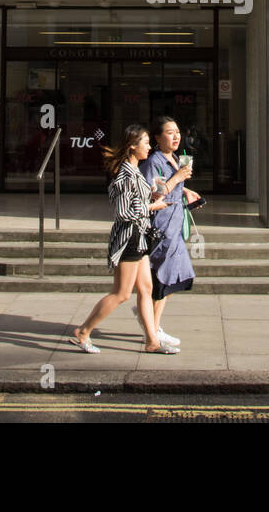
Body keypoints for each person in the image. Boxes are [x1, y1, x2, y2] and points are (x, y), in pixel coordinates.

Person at [70, 124, 178, 354]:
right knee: (121, 293)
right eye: (146, 143)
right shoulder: (125, 175)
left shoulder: (135, 171)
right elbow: (123, 213)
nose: (149, 147)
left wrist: (152, 194)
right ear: (132, 146)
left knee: (146, 288)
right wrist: (153, 205)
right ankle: (83, 331)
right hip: (128, 238)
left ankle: (152, 341)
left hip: (138, 238)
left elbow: (135, 202)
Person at [139, 116, 201, 345]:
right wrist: (178, 178)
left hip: (175, 227)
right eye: (169, 132)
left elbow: (173, 187)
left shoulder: (174, 158)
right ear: (157, 137)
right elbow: (154, 194)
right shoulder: (154, 161)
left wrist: (186, 191)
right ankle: (152, 332)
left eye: (177, 132)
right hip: (161, 228)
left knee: (173, 278)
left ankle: (152, 324)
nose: (176, 136)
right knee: (162, 280)